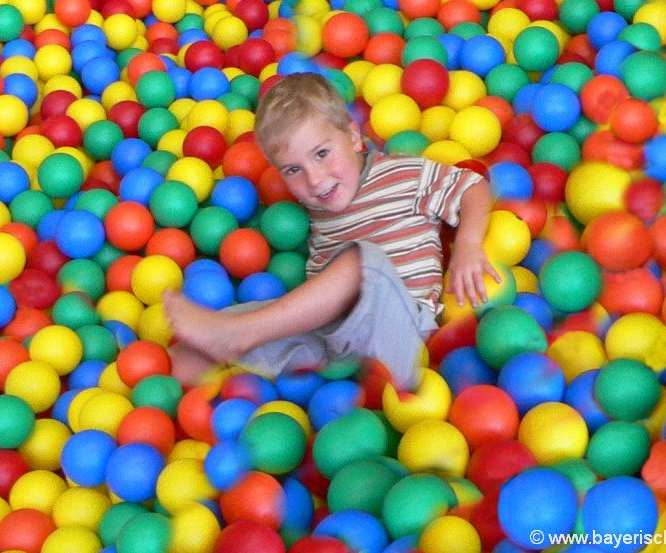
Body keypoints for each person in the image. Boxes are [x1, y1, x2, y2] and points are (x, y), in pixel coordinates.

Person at [163, 71, 497, 391]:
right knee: (221, 329)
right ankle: (169, 388)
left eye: (322, 153)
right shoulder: (313, 209)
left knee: (361, 261)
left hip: (402, 333)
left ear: (353, 137)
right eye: (294, 170)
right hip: (332, 348)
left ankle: (236, 334)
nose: (315, 179)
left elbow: (472, 187)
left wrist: (467, 245)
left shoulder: (403, 173)